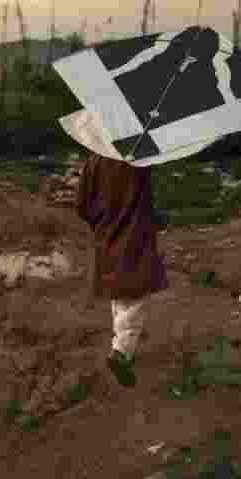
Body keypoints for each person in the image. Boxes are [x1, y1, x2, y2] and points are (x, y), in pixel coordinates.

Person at [76, 151, 169, 387]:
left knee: (119, 288)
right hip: (136, 231)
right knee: (137, 292)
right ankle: (121, 350)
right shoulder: (139, 157)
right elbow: (146, 198)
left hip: (107, 231)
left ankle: (123, 342)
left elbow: (81, 204)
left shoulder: (94, 159)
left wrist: (101, 221)